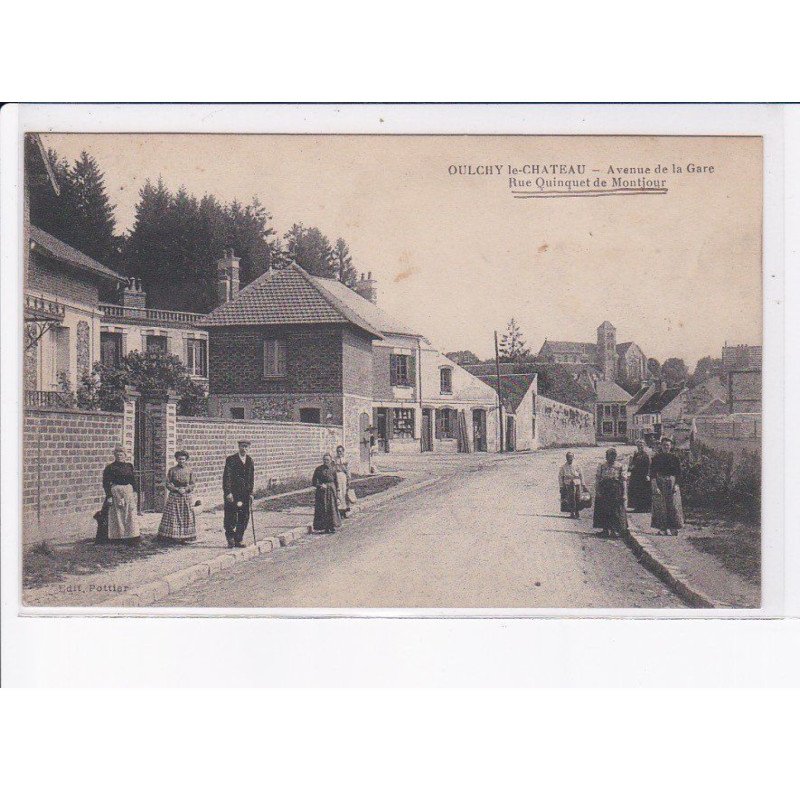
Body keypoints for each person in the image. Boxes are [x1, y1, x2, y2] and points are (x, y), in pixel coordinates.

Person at [101, 445, 140, 545]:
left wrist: (135, 492)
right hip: (116, 491)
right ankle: (118, 537)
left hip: (128, 491)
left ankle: (131, 536)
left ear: (125, 455)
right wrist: (109, 496)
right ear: (115, 456)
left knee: (129, 514)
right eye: (117, 455)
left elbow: (133, 480)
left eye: (121, 454)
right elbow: (106, 483)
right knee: (117, 514)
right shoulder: (110, 468)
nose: (119, 456)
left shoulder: (129, 466)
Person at [156, 450, 197, 544]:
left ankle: (186, 536)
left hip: (186, 496)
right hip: (174, 495)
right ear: (176, 459)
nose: (181, 461)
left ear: (186, 459)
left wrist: (186, 489)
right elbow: (167, 483)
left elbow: (192, 484)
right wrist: (176, 489)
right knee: (173, 515)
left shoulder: (190, 470)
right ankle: (171, 536)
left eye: (183, 459)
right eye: (179, 459)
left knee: (186, 515)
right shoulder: (172, 470)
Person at [223, 440, 255, 548]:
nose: (244, 449)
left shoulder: (250, 460)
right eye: (242, 446)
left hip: (245, 494)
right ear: (238, 447)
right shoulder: (231, 459)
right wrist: (228, 493)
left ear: (248, 448)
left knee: (244, 516)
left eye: (246, 447)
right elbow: (226, 477)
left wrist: (251, 493)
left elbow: (251, 478)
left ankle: (239, 538)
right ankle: (230, 537)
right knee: (231, 516)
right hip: (233, 493)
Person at [650, 436, 684, 536]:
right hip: (660, 481)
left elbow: (679, 473)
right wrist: (655, 486)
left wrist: (677, 485)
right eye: (664, 445)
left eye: (668, 445)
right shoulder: (656, 458)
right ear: (661, 446)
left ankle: (673, 528)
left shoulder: (675, 458)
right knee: (660, 506)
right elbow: (652, 473)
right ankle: (662, 528)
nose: (666, 447)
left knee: (673, 505)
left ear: (671, 446)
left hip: (672, 482)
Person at [593, 447, 628, 538]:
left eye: (613, 456)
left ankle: (614, 531)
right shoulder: (601, 465)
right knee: (604, 510)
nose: (611, 458)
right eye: (609, 456)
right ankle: (605, 530)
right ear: (606, 456)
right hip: (604, 489)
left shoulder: (620, 466)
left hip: (616, 490)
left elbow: (624, 480)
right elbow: (598, 479)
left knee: (615, 510)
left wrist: (624, 493)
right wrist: (597, 491)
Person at [312, 453, 341, 534]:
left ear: (331, 460)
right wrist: (320, 485)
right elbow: (314, 482)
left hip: (331, 491)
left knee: (332, 508)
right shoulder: (318, 469)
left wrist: (337, 492)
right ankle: (325, 527)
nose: (326, 461)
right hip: (321, 492)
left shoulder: (333, 469)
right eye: (324, 460)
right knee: (323, 509)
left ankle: (332, 526)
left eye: (327, 460)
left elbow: (336, 482)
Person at [627, 440, 652, 512]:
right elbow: (631, 465)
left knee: (644, 491)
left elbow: (649, 465)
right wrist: (631, 464)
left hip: (643, 475)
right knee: (636, 491)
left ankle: (646, 508)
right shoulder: (636, 454)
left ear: (644, 446)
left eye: (641, 445)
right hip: (636, 475)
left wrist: (648, 474)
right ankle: (637, 507)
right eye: (638, 446)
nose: (640, 447)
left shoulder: (646, 455)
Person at [558, 452, 585, 519]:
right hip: (568, 484)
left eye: (571, 457)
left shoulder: (577, 465)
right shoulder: (563, 467)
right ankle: (572, 513)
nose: (569, 459)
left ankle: (577, 512)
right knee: (571, 498)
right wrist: (561, 486)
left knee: (578, 498)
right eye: (568, 457)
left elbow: (581, 474)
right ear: (566, 458)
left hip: (576, 483)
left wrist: (583, 484)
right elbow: (560, 477)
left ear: (573, 457)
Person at [333, 444, 352, 518]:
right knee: (339, 494)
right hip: (337, 477)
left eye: (340, 451)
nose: (339, 453)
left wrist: (349, 479)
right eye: (338, 451)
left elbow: (348, 470)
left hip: (343, 477)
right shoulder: (334, 460)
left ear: (343, 452)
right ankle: (339, 511)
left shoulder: (345, 460)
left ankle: (345, 511)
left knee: (345, 493)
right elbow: (333, 469)